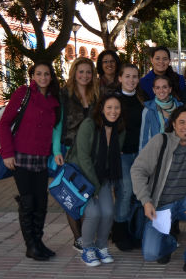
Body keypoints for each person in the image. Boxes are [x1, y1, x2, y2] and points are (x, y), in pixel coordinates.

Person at [131, 106, 186, 278]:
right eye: (181, 122)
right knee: (151, 254)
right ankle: (170, 243)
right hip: (162, 204)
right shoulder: (160, 141)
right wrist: (146, 200)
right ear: (173, 124)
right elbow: (138, 170)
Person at [0, 61, 60, 261]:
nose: (43, 77)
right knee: (28, 201)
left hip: (41, 158)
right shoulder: (23, 93)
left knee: (41, 201)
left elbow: (56, 129)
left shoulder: (53, 100)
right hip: (21, 156)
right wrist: (7, 153)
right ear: (32, 75)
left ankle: (38, 241)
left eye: (47, 74)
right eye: (39, 74)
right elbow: (5, 122)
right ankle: (30, 245)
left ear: (51, 77)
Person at [66, 93, 125, 266]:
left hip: (103, 176)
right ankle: (88, 249)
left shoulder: (119, 128)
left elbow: (113, 157)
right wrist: (95, 188)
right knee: (93, 213)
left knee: (108, 212)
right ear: (101, 108)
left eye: (117, 108)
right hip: (82, 177)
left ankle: (101, 246)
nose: (113, 111)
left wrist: (100, 185)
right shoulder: (89, 124)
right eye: (109, 107)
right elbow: (83, 158)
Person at [52, 57, 99, 252]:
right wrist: (56, 151)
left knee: (87, 193)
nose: (85, 76)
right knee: (71, 194)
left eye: (88, 72)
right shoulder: (64, 94)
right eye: (81, 72)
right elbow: (58, 124)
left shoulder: (97, 94)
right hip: (69, 151)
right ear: (74, 73)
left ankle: (87, 234)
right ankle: (78, 237)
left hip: (90, 151)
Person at [112, 63, 148, 251]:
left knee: (139, 194)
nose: (131, 80)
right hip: (123, 154)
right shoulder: (113, 99)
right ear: (120, 78)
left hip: (141, 155)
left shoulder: (143, 98)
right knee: (125, 192)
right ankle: (119, 232)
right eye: (127, 76)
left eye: (135, 76)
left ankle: (135, 231)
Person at [139, 75, 183, 150]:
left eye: (164, 87)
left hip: (178, 152)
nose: (161, 91)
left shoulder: (180, 108)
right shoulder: (148, 110)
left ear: (170, 89)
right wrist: (142, 159)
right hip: (156, 153)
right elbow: (144, 138)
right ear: (154, 90)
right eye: (158, 88)